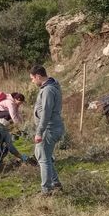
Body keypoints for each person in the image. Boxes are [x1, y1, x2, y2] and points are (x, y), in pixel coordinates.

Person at [30, 65, 64, 195]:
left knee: (42, 158)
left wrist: (39, 132)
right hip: (53, 127)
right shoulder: (51, 86)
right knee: (47, 157)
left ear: (38, 76)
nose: (32, 82)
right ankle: (56, 184)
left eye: (32, 78)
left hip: (49, 129)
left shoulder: (48, 90)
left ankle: (46, 191)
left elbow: (46, 112)